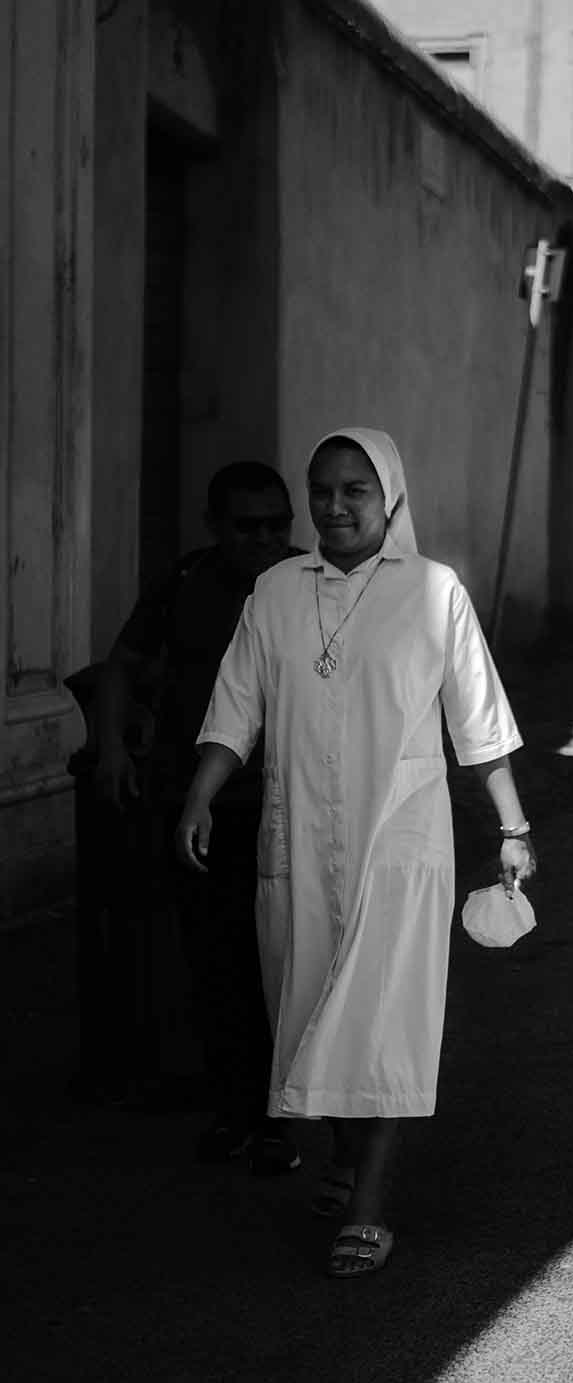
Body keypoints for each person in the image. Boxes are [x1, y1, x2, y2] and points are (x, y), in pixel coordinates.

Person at [175, 428, 537, 1279]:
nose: (335, 506)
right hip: (296, 832)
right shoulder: (273, 590)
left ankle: (369, 1207)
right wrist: (199, 791)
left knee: (382, 1023)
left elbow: (477, 722)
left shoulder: (434, 591)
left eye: (355, 491)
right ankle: (344, 1155)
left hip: (399, 840)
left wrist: (513, 827)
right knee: (304, 1011)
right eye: (323, 490)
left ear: (391, 500)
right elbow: (238, 702)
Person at [95, 461, 301, 1171]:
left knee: (288, 964)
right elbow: (122, 662)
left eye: (280, 523)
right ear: (216, 526)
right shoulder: (188, 583)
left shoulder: (310, 581)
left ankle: (286, 1117)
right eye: (249, 525)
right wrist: (112, 747)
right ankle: (233, 1111)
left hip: (291, 811)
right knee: (216, 964)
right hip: (205, 807)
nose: (268, 538)